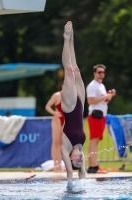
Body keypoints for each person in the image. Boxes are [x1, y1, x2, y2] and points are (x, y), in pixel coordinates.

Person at [61, 21, 86, 189]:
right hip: (81, 105)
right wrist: (82, 184)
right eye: (81, 161)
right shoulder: (81, 146)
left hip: (69, 107)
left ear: (70, 158)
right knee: (76, 70)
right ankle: (72, 39)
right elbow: (82, 173)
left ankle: (65, 38)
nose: (81, 159)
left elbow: (71, 173)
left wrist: (71, 187)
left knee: (69, 70)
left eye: (77, 160)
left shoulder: (67, 146)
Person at [86, 64, 116, 173]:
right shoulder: (92, 86)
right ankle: (94, 167)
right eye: (99, 72)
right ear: (94, 73)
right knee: (94, 142)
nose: (101, 74)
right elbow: (90, 101)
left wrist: (109, 96)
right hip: (95, 116)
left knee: (95, 142)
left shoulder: (101, 85)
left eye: (103, 72)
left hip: (101, 116)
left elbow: (104, 102)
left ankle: (92, 167)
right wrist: (104, 97)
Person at [45, 89, 65, 172]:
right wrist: (54, 113)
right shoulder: (57, 95)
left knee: (61, 143)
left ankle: (60, 164)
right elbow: (47, 106)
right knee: (55, 142)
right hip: (57, 118)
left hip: (65, 119)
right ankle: (55, 164)